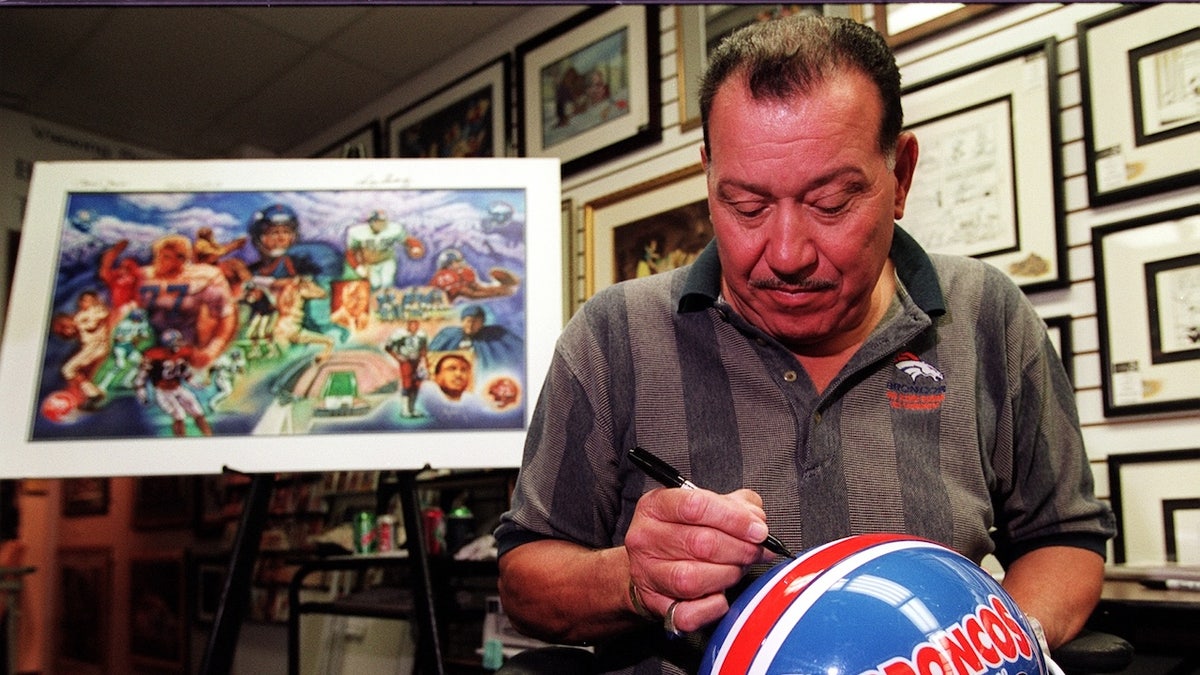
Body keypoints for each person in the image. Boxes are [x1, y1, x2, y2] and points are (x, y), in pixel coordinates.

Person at [494, 15, 1114, 674]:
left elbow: (1064, 540)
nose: (787, 255)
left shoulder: (988, 314)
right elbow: (524, 577)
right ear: (708, 177)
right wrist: (630, 578)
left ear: (900, 175)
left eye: (831, 203)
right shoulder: (612, 334)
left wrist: (981, 650)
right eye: (747, 206)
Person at [429, 304, 523, 373]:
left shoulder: (494, 334)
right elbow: (431, 355)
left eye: (475, 322)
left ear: (482, 323)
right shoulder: (449, 334)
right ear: (462, 321)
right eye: (468, 321)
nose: (470, 325)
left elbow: (519, 348)